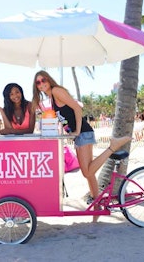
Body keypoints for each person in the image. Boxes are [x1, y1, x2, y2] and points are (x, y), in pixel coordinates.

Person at [31, 70, 131, 221]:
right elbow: (65, 118)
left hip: (83, 133)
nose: (41, 84)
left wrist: (77, 129)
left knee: (87, 172)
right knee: (89, 175)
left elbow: (77, 108)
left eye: (43, 80)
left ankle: (113, 146)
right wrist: (67, 132)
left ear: (48, 79)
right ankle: (97, 206)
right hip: (79, 135)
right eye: (38, 82)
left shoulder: (57, 91)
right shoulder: (51, 98)